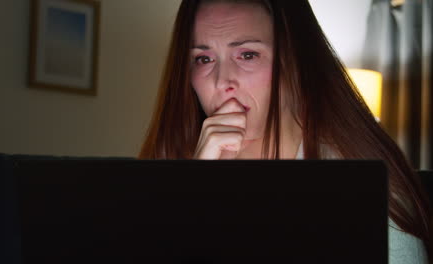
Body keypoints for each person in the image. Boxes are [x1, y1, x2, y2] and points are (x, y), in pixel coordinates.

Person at [138, 0, 432, 263]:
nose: (222, 81)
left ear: (294, 62)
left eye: (247, 55)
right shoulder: (169, 170)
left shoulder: (372, 190)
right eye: (203, 59)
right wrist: (195, 192)